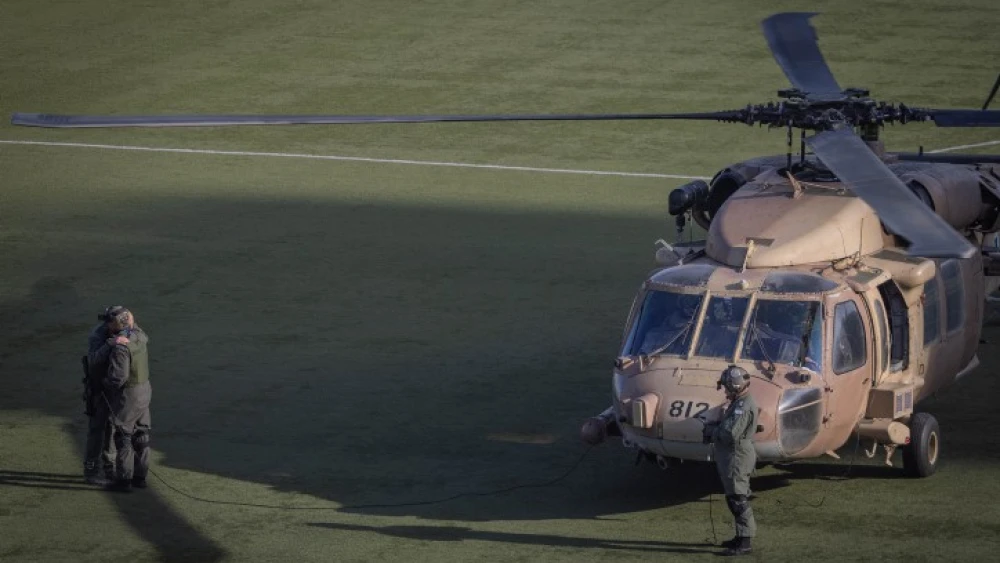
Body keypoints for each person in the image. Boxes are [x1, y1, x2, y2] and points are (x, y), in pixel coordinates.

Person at [83, 306, 146, 486]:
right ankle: (91, 470)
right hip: (99, 388)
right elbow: (93, 359)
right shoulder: (98, 335)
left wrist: (127, 341)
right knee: (97, 429)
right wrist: (110, 344)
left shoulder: (126, 328)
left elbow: (142, 337)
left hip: (116, 389)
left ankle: (109, 467)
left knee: (112, 427)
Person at [703, 365, 758, 556]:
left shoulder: (742, 405)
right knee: (733, 496)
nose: (725, 390)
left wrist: (712, 431)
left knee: (738, 499)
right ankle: (741, 536)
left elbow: (731, 433)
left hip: (737, 457)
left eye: (727, 387)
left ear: (735, 387)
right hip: (733, 456)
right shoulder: (740, 402)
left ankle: (745, 542)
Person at [102, 308, 153, 492]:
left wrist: (103, 382)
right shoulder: (140, 336)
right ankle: (140, 477)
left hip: (129, 395)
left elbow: (118, 378)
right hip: (144, 390)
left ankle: (124, 480)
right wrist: (127, 318)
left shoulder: (120, 348)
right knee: (142, 434)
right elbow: (132, 326)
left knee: (123, 436)